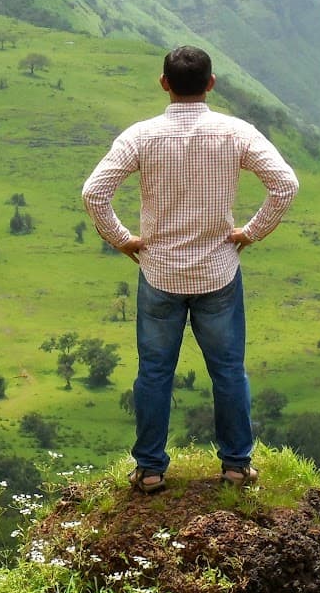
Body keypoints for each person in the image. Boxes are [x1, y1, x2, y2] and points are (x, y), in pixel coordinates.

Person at [81, 45, 298, 492]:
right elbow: (284, 185)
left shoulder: (141, 136)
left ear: (164, 83)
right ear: (211, 83)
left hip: (159, 272)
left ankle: (150, 469)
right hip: (218, 270)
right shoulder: (235, 132)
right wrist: (252, 232)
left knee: (155, 372)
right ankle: (237, 466)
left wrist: (122, 239)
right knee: (228, 370)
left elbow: (94, 194)